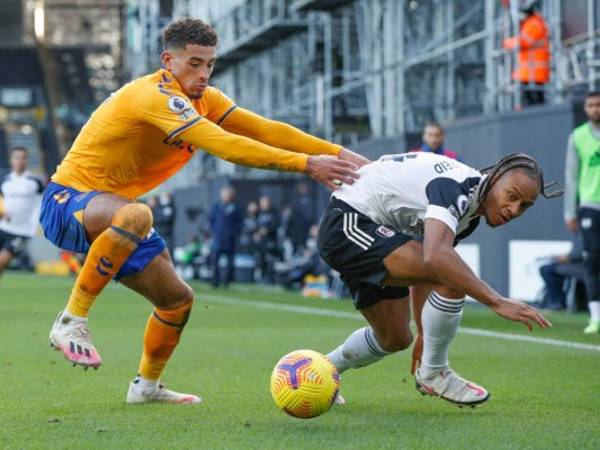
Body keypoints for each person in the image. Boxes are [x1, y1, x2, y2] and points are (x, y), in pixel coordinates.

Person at [40, 17, 368, 404]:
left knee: (177, 300)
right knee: (136, 216)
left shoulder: (205, 98)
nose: (204, 73)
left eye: (209, 64)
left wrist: (340, 154)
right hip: (67, 202)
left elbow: (264, 129)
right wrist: (307, 165)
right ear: (168, 60)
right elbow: (224, 145)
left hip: (113, 213)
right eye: (194, 63)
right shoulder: (154, 96)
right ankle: (71, 320)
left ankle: (145, 387)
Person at [316, 152, 560, 407]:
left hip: (375, 232)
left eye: (524, 206)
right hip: (348, 223)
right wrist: (496, 301)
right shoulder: (457, 188)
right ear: (495, 177)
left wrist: (424, 333)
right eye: (512, 196)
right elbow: (435, 258)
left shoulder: (468, 215)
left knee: (394, 337)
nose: (514, 209)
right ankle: (434, 373)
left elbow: (427, 268)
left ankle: (322, 371)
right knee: (453, 276)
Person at [564, 91, 600, 334]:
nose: (595, 108)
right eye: (591, 105)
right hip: (590, 206)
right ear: (585, 108)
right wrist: (569, 211)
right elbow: (571, 175)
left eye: (598, 104)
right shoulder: (577, 136)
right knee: (593, 261)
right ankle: (596, 316)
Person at [0, 146, 44, 278]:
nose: (20, 160)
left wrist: (37, 224)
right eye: (17, 157)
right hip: (2, 226)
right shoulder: (4, 180)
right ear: (11, 160)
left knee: (2, 261)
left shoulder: (35, 181)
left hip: (21, 231)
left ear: (27, 160)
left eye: (23, 158)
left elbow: (43, 202)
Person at [502, 0, 550, 106]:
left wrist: (506, 42)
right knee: (530, 101)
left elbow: (522, 43)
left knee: (535, 102)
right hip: (529, 73)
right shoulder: (531, 23)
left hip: (534, 73)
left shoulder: (534, 23)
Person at [537, 233, 583, 311]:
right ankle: (558, 302)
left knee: (547, 270)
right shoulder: (578, 234)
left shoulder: (584, 234)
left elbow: (578, 255)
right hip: (572, 265)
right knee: (548, 268)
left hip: (580, 268)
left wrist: (567, 258)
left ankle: (556, 302)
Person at [209, 186, 243, 288]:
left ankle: (227, 282)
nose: (226, 197)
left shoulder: (236, 208)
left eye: (228, 195)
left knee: (230, 262)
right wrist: (214, 232)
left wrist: (233, 233)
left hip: (230, 239)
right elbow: (211, 220)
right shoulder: (216, 206)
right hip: (218, 238)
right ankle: (215, 280)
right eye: (225, 195)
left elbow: (240, 223)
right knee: (215, 261)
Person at [255, 195, 280, 283]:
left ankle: (270, 278)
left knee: (270, 259)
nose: (264, 204)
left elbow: (276, 225)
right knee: (261, 260)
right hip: (261, 242)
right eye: (262, 202)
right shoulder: (259, 213)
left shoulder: (273, 213)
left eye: (265, 202)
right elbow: (255, 226)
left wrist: (267, 230)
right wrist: (257, 233)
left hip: (270, 240)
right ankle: (262, 277)